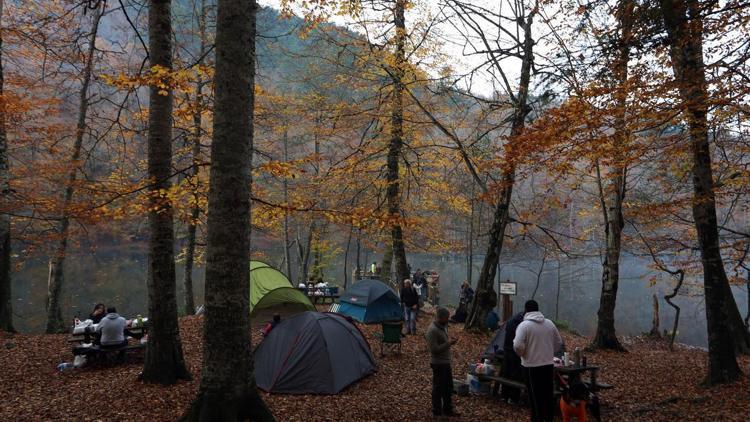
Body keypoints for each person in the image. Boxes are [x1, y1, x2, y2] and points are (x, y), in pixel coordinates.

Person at [513, 300, 563, 422]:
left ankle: (537, 419)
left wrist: (523, 355)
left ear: (526, 310)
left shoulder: (524, 326)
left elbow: (518, 345)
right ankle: (548, 418)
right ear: (537, 309)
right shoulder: (549, 324)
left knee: (534, 396)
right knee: (547, 394)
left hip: (531, 366)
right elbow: (558, 343)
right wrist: (549, 352)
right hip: (548, 365)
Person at [425, 307, 459, 418]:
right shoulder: (432, 330)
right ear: (442, 317)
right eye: (447, 318)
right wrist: (449, 343)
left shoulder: (442, 326)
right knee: (438, 388)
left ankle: (448, 409)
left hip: (445, 362)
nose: (448, 319)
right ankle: (437, 412)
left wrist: (449, 340)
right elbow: (434, 350)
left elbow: (443, 340)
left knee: (448, 387)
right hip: (438, 363)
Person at [501, 310, 526, 403]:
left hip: (506, 349)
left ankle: (504, 395)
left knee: (506, 373)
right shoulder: (522, 324)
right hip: (515, 352)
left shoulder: (511, 320)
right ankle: (514, 397)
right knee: (516, 375)